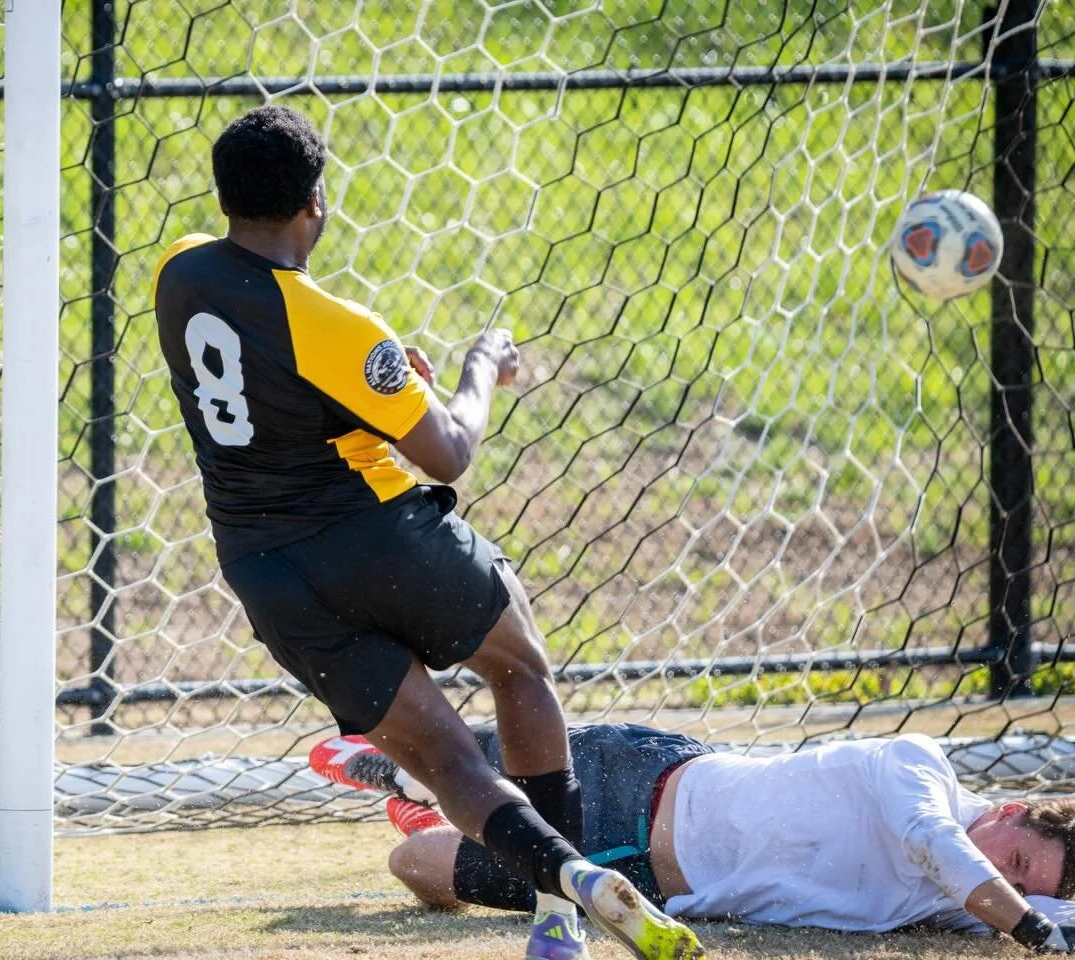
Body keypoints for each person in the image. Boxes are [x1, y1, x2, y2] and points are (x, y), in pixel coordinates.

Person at [152, 103, 703, 960]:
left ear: (225, 195)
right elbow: (447, 454)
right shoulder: (340, 324)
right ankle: (560, 922)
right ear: (316, 204)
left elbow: (271, 393)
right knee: (518, 667)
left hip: (265, 570)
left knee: (449, 765)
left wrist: (370, 395)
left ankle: (574, 885)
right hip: (378, 539)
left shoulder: (177, 271)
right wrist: (485, 369)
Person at [309, 724, 1075, 949]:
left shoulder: (968, 903)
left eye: (1017, 890)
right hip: (643, 782)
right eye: (1010, 867)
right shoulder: (922, 770)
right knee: (441, 764)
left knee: (413, 864)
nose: (994, 894)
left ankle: (424, 811)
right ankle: (398, 776)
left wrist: (1026, 915)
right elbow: (934, 842)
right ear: (1008, 812)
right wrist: (1030, 928)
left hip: (639, 884)